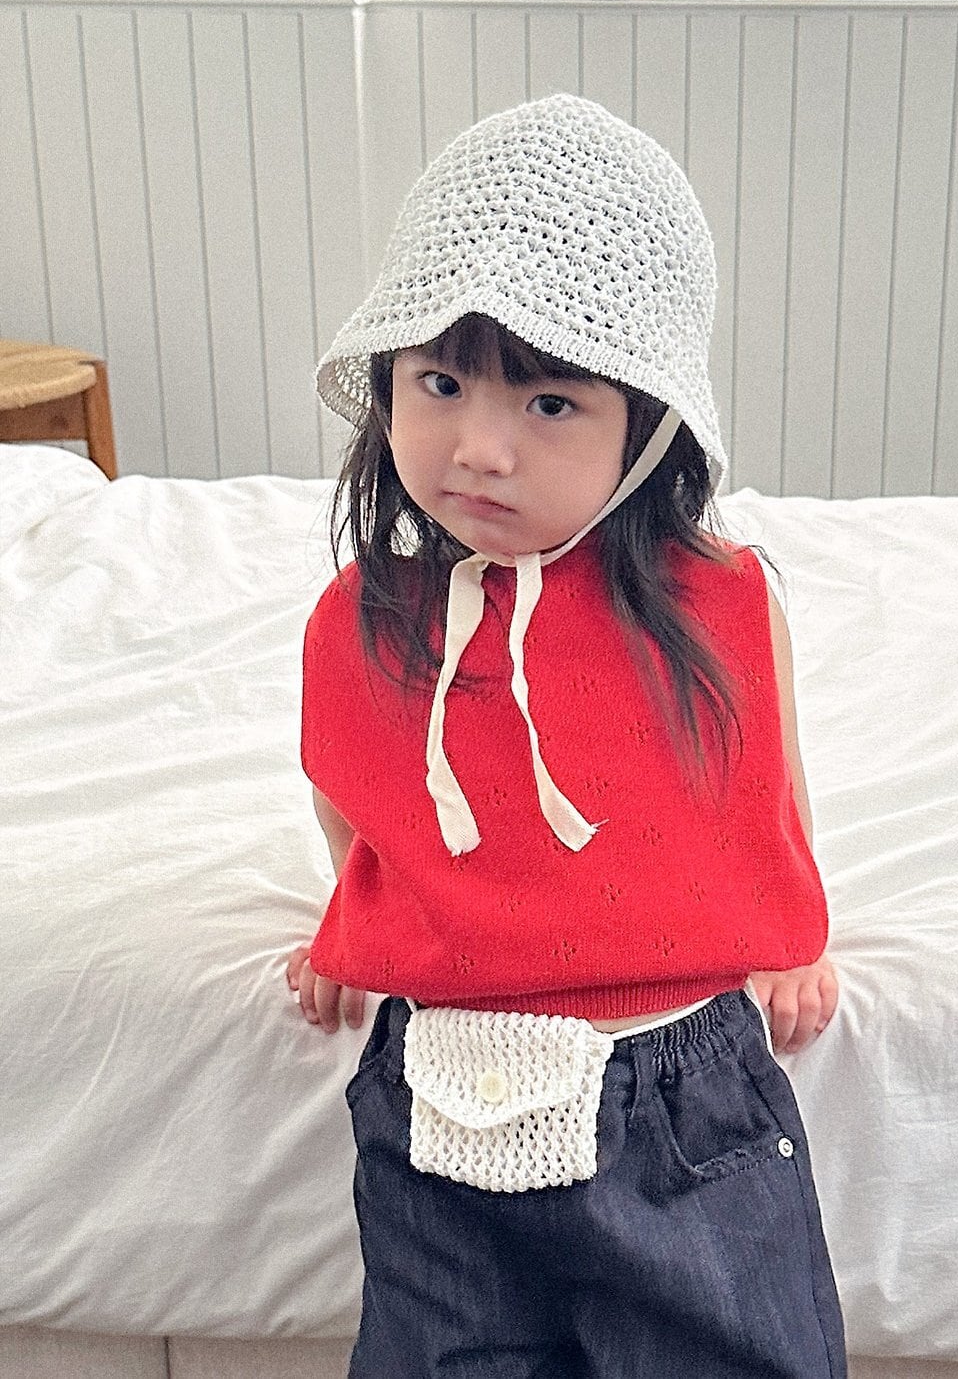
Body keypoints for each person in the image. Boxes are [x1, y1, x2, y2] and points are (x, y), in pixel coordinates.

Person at [287, 93, 847, 1378]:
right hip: (434, 1090)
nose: (479, 448)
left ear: (645, 426)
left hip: (681, 1094)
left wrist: (792, 932)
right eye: (439, 384)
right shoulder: (362, 617)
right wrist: (351, 919)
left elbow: (760, 778)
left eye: (549, 404)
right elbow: (354, 795)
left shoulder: (714, 602)